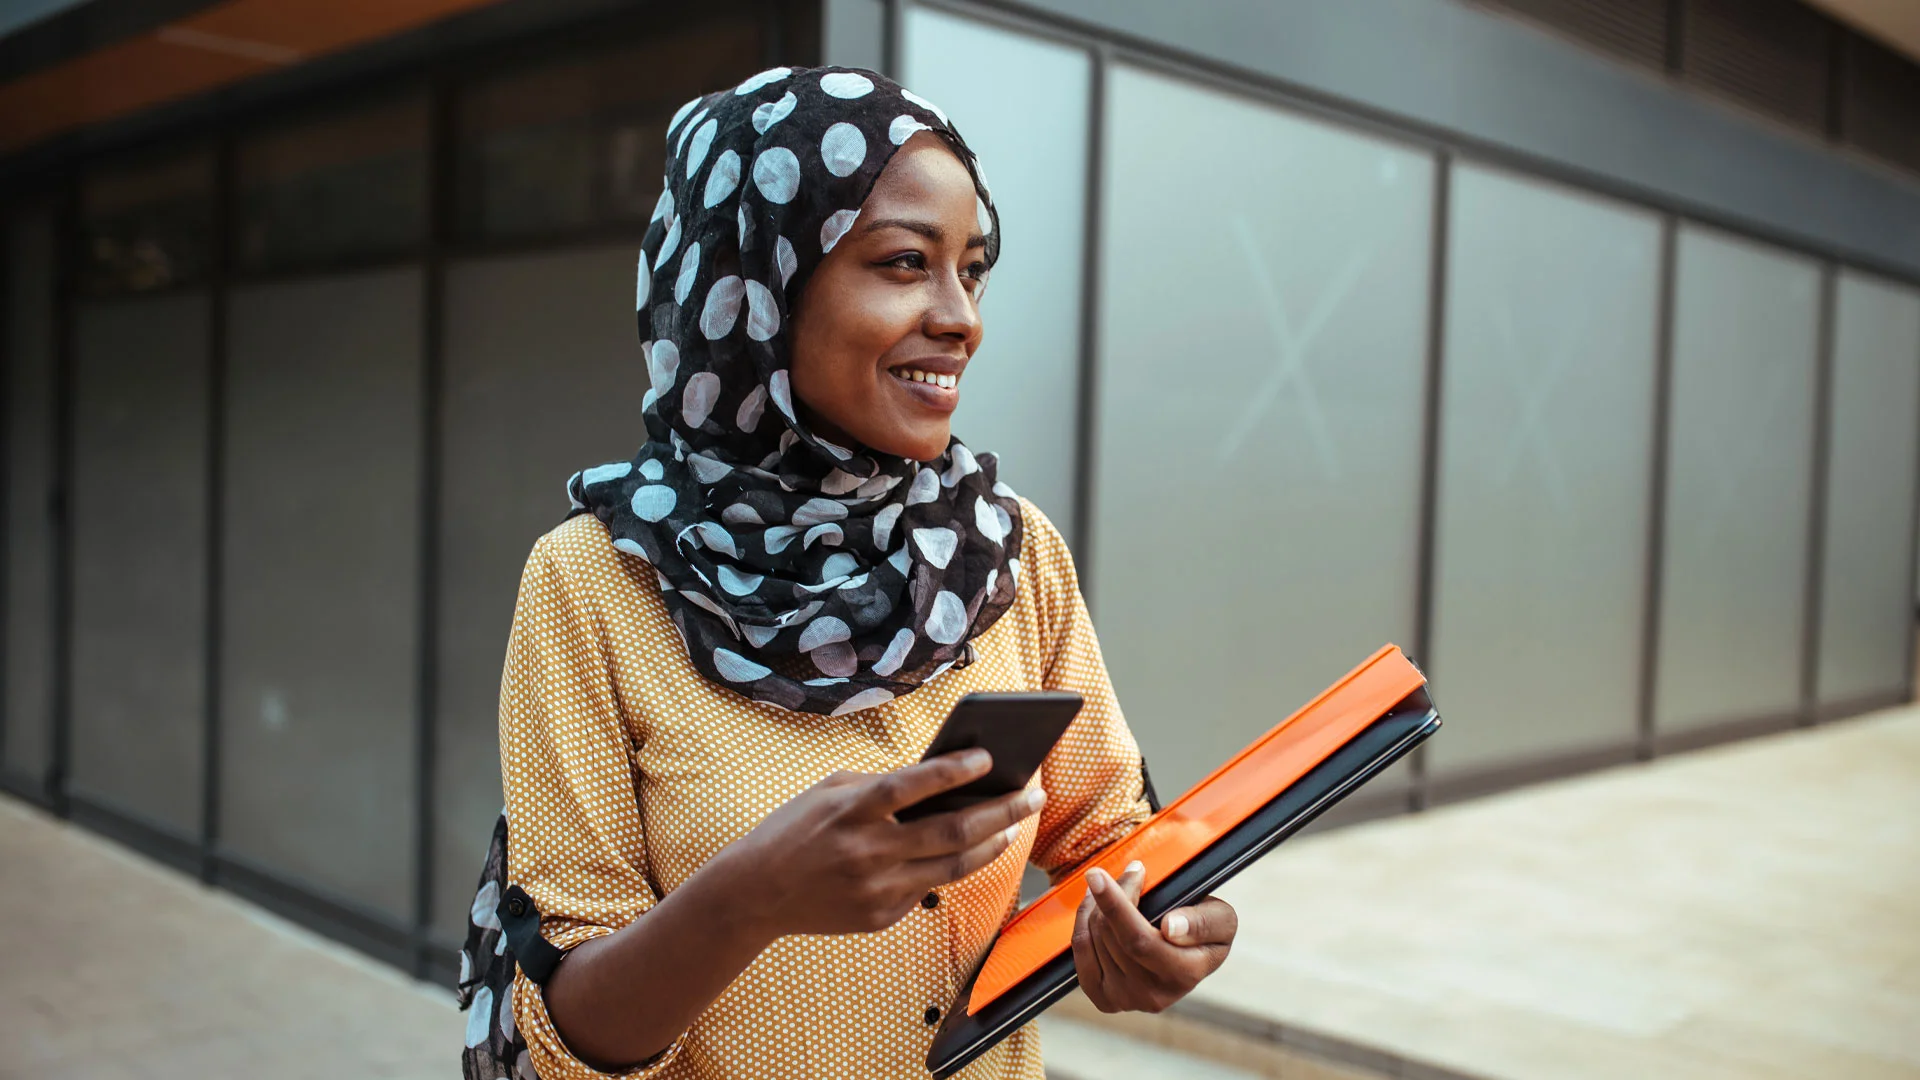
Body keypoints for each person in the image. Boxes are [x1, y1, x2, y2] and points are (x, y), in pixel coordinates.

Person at [455, 65, 1237, 1080]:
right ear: (757, 289)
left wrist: (1172, 922)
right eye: (907, 262)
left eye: (974, 269)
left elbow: (1116, 836)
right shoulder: (598, 584)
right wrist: (749, 899)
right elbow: (568, 1035)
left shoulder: (1006, 551)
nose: (963, 317)